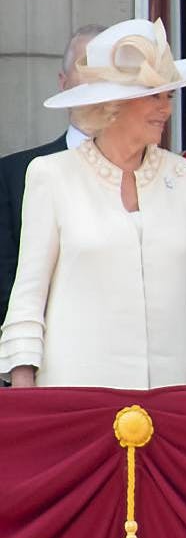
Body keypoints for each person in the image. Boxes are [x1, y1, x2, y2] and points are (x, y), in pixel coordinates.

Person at [0, 18, 186, 388]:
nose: (166, 109)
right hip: (75, 399)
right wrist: (25, 391)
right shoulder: (51, 175)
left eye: (168, 96)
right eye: (153, 96)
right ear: (111, 104)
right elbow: (27, 300)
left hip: (169, 401)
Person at [0, 24, 106, 323]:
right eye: (88, 66)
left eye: (110, 70)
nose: (99, 80)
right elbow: (6, 284)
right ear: (63, 82)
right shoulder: (12, 175)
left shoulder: (156, 173)